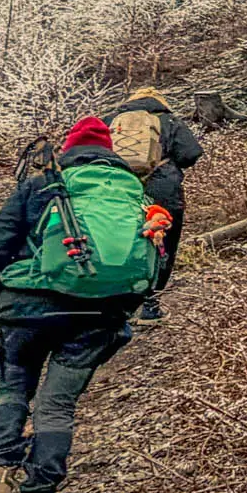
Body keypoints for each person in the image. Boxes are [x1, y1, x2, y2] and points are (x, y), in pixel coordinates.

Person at [0, 117, 159, 493]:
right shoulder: (135, 193)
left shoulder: (41, 186)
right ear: (110, 152)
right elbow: (153, 263)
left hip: (26, 308)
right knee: (56, 408)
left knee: (12, 387)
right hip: (97, 315)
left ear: (70, 149)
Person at [100, 88, 202, 326]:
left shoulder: (110, 120)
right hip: (161, 191)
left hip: (120, 191)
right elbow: (190, 154)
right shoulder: (169, 120)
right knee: (163, 244)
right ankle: (151, 306)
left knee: (121, 244)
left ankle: (120, 307)